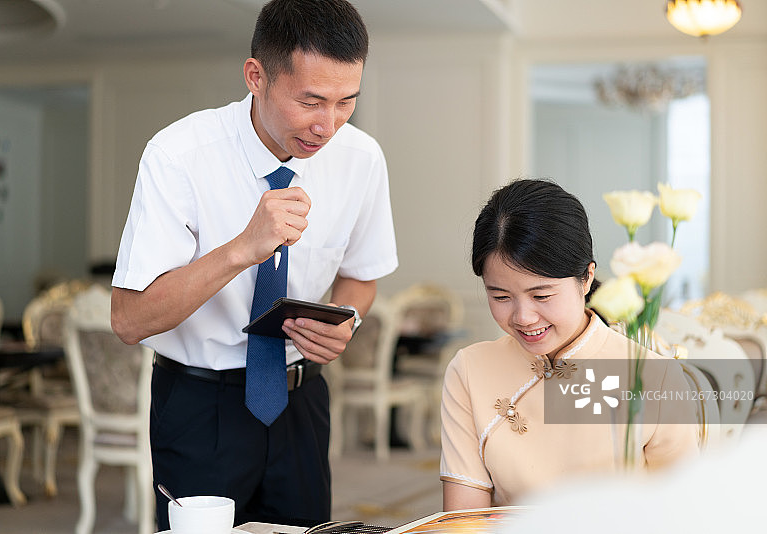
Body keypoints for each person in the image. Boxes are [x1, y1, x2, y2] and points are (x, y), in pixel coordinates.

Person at [110, 0, 397, 529]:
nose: (327, 125)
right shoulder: (178, 155)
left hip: (301, 401)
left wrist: (348, 319)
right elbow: (130, 320)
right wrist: (243, 247)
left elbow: (362, 275)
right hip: (199, 405)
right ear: (256, 76)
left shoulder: (362, 158)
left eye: (345, 102)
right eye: (310, 101)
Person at [440, 179, 698, 511]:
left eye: (541, 295)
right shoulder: (470, 370)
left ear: (586, 277)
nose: (524, 317)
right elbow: (464, 521)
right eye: (500, 296)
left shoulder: (653, 376)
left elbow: (683, 513)